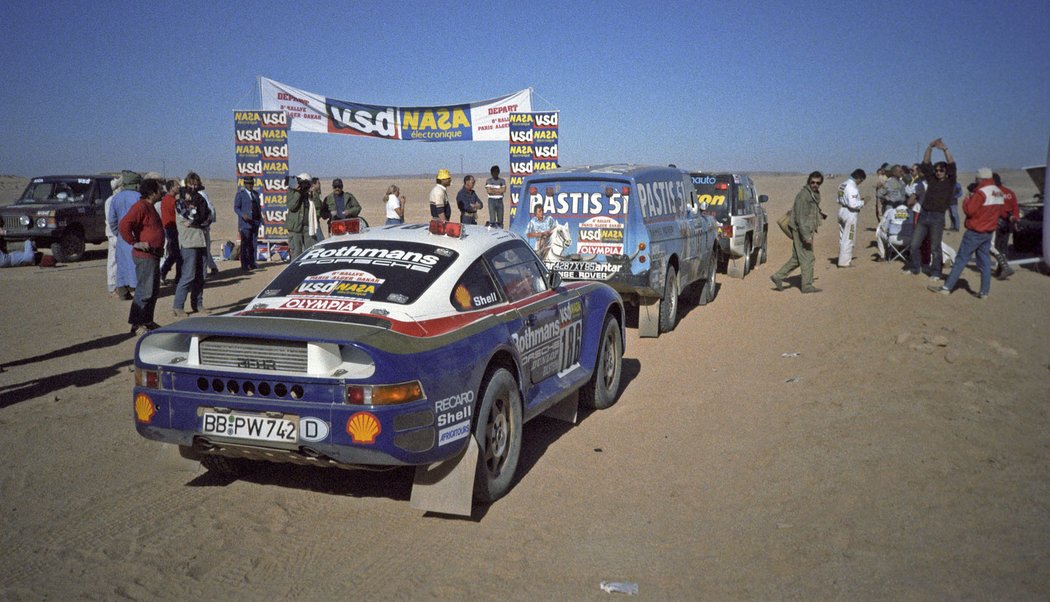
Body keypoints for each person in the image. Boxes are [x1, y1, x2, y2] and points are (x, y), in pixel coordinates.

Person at [928, 168, 1004, 299]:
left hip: (975, 231)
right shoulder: (998, 192)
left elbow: (970, 210)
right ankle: (984, 291)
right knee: (985, 262)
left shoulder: (981, 193)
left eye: (977, 179)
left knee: (961, 259)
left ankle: (947, 287)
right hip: (988, 232)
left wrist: (967, 200)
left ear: (980, 178)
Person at [119, 179, 165, 334]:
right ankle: (138, 323)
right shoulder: (140, 206)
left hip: (153, 255)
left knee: (152, 290)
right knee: (145, 291)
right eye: (159, 189)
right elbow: (124, 225)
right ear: (152, 192)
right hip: (144, 256)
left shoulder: (149, 207)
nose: (161, 192)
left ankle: (146, 320)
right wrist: (135, 242)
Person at [907, 138, 956, 281]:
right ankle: (915, 268)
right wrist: (929, 146)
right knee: (914, 244)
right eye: (937, 170)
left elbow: (952, 164)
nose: (939, 172)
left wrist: (945, 149)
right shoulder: (932, 179)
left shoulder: (950, 182)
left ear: (946, 172)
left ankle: (936, 272)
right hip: (924, 215)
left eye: (941, 170)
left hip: (937, 217)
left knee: (935, 247)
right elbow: (926, 163)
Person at [771, 172, 824, 293]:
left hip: (806, 229)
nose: (815, 184)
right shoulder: (803, 196)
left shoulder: (812, 194)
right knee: (808, 258)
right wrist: (806, 236)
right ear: (808, 181)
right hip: (802, 231)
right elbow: (800, 218)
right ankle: (807, 286)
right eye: (813, 182)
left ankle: (778, 276)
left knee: (797, 258)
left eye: (818, 183)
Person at [172, 184, 211, 316]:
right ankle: (178, 306)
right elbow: (193, 217)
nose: (193, 195)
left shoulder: (197, 205)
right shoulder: (180, 206)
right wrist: (200, 219)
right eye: (190, 193)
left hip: (201, 241)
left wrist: (201, 218)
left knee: (201, 275)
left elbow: (208, 217)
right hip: (189, 243)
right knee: (188, 275)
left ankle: (198, 304)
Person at [106, 170, 142, 300]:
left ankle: (122, 290)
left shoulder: (116, 198)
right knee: (136, 265)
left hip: (122, 238)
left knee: (122, 264)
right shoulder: (139, 197)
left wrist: (119, 233)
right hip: (137, 237)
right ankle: (138, 290)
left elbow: (112, 220)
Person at [184, 172, 219, 277]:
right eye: (191, 184)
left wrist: (204, 224)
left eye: (195, 184)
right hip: (188, 231)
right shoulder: (183, 196)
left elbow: (209, 211)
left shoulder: (202, 195)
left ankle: (204, 274)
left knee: (204, 251)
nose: (193, 186)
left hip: (201, 228)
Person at [992, 172, 1019, 279]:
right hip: (1009, 223)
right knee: (1003, 246)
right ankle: (1001, 269)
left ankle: (1004, 268)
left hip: (998, 222)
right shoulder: (1010, 192)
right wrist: (1014, 218)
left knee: (996, 248)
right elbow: (1015, 208)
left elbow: (999, 209)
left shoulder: (996, 192)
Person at [836, 169, 866, 267]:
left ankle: (842, 258)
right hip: (850, 213)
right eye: (861, 180)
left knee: (842, 237)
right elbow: (853, 204)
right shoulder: (852, 187)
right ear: (859, 178)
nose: (860, 183)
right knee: (849, 237)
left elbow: (838, 199)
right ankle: (845, 262)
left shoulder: (842, 184)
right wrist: (863, 202)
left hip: (842, 211)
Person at [234, 176, 262, 272]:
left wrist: (260, 219)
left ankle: (252, 262)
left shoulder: (255, 194)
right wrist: (243, 215)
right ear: (245, 184)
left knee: (253, 243)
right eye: (248, 184)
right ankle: (244, 265)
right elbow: (236, 208)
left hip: (255, 222)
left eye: (252, 184)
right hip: (245, 223)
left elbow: (258, 208)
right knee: (245, 244)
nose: (250, 185)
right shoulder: (240, 194)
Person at [103, 175, 123, 295]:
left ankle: (113, 284)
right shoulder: (113, 200)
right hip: (115, 233)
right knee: (115, 260)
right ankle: (114, 284)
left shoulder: (110, 200)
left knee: (113, 260)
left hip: (113, 233)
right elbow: (112, 220)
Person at [159, 178, 182, 284]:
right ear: (171, 188)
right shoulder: (171, 201)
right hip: (172, 229)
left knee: (176, 254)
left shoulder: (165, 199)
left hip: (170, 229)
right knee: (176, 254)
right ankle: (165, 273)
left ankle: (174, 276)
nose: (179, 187)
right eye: (177, 185)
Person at [285, 173, 312, 260]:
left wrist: (313, 194)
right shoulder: (292, 191)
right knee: (296, 253)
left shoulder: (310, 193)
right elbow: (291, 206)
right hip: (295, 227)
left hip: (308, 227)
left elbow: (318, 208)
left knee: (310, 252)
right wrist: (298, 193)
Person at [309, 177, 324, 244]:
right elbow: (317, 207)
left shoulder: (316, 194)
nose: (319, 185)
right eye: (318, 183)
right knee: (320, 241)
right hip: (314, 221)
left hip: (315, 220)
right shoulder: (313, 195)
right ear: (313, 185)